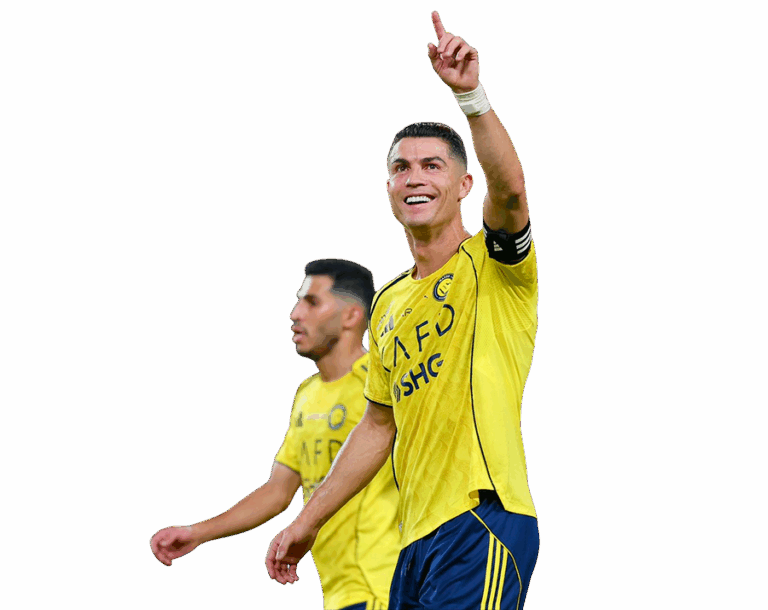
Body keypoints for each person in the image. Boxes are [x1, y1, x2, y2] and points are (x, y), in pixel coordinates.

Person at [266, 12, 540, 610]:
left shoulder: (492, 267)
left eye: (431, 165)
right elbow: (377, 426)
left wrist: (471, 95)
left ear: (464, 184)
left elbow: (513, 190)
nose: (414, 178)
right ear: (388, 190)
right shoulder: (387, 304)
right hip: (413, 545)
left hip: (482, 519)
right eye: (400, 168)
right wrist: (307, 521)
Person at [150, 259, 400, 610]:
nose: (295, 313)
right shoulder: (308, 394)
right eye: (299, 301)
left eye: (312, 302)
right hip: (342, 593)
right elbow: (278, 491)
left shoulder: (382, 379)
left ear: (351, 316)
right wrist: (197, 532)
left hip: (390, 585)